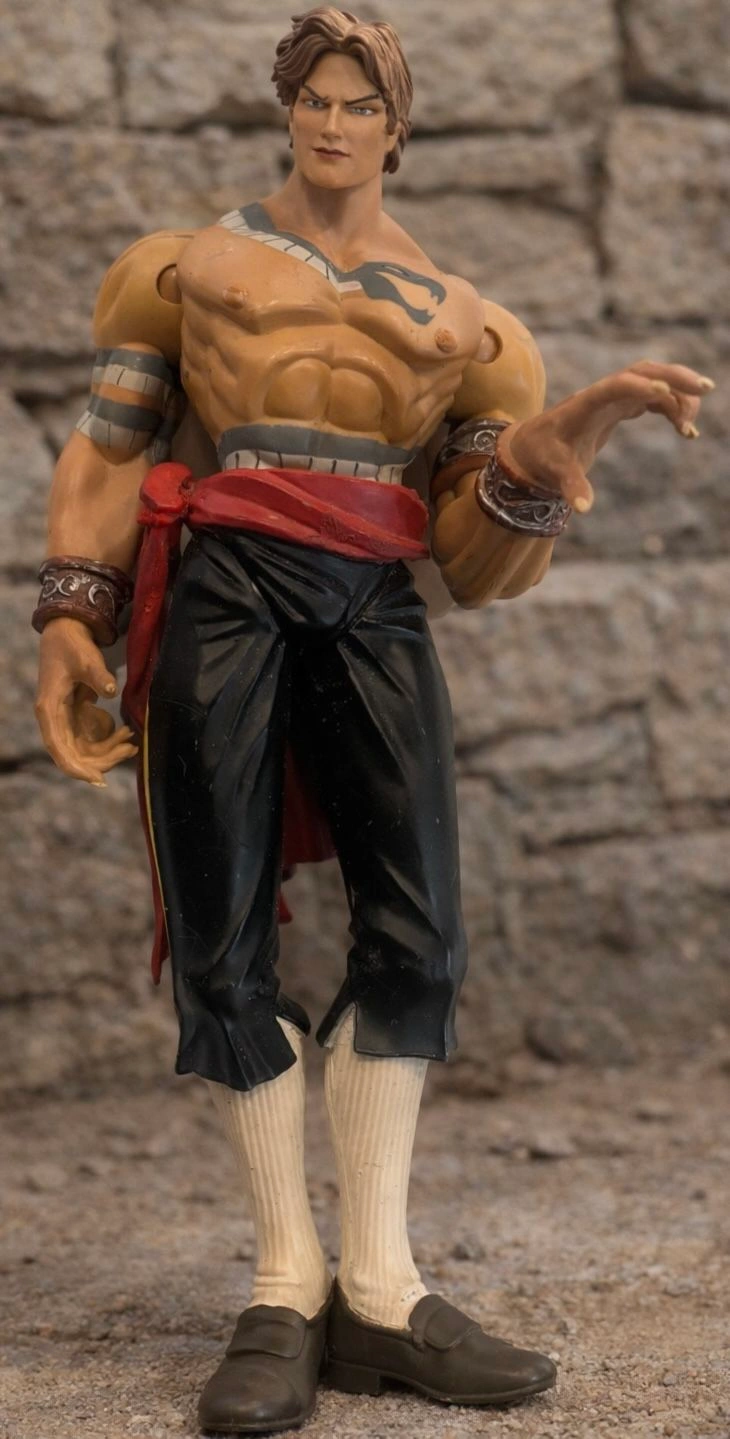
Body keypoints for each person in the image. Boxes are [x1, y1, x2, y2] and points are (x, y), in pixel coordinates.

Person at [33, 7, 712, 1433]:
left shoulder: (473, 326)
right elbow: (106, 448)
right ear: (287, 110)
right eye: (314, 99)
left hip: (371, 593)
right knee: (219, 923)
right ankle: (286, 1284)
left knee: (419, 928)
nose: (332, 123)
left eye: (359, 104)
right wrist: (67, 619)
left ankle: (382, 1291)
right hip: (223, 578)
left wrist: (551, 447)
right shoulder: (182, 268)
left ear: (398, 129)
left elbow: (476, 560)